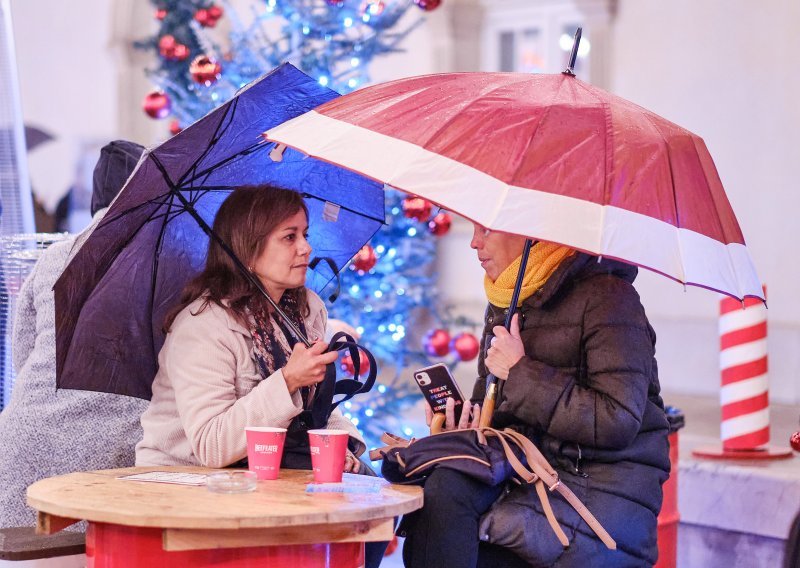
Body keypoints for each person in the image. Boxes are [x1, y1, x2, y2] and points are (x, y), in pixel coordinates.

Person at [401, 225, 671, 567]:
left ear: (530, 233)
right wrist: (467, 424)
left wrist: (519, 371)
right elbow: (499, 414)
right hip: (527, 475)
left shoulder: (611, 300)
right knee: (441, 488)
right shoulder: (508, 299)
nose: (474, 243)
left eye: (485, 230)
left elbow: (616, 420)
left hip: (593, 491)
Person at [136, 185, 366, 471]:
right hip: (187, 480)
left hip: (269, 473)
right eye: (289, 237)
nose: (306, 247)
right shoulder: (203, 327)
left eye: (304, 234)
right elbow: (212, 445)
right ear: (249, 251)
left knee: (369, 485)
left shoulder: (306, 310)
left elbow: (319, 406)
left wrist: (338, 444)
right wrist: (288, 381)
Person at [0, 140, 148, 528]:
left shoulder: (54, 257)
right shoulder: (163, 261)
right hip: (108, 464)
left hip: (22, 446)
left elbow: (23, 352)